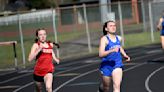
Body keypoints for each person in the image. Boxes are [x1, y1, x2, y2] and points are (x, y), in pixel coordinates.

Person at [98, 21, 130, 92]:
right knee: (106, 87)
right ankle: (101, 88)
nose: (113, 27)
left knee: (117, 86)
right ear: (106, 29)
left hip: (117, 64)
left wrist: (124, 54)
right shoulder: (104, 39)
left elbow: (119, 47)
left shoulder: (119, 38)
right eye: (111, 26)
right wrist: (111, 50)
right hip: (106, 65)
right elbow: (100, 54)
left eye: (114, 25)